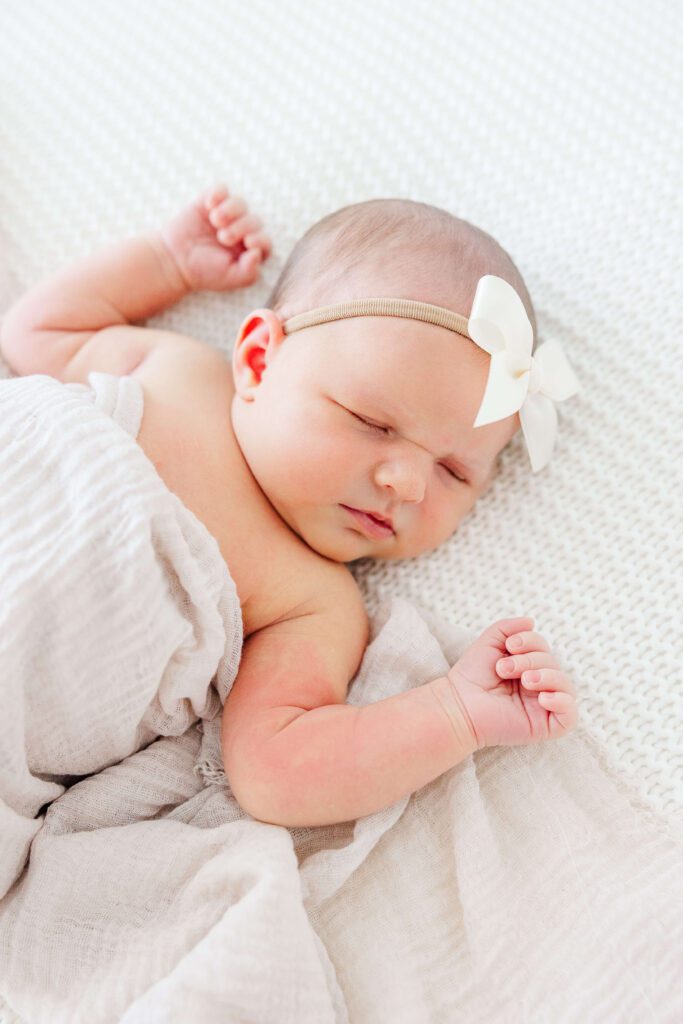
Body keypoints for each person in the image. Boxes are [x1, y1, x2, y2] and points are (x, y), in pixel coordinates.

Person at [0, 185, 579, 827]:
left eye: (454, 471)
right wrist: (166, 262)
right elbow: (33, 333)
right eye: (371, 422)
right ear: (257, 360)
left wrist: (453, 712)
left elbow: (276, 772)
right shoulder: (180, 372)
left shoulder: (316, 604)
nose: (408, 485)